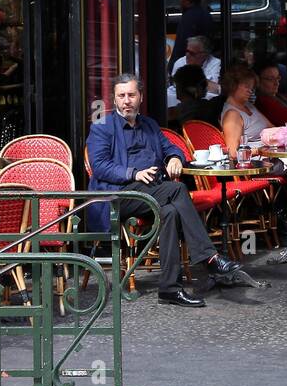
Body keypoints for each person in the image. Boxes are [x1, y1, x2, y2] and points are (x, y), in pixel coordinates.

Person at [87, 73, 240, 307]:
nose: (126, 100)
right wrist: (133, 173)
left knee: (169, 212)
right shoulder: (102, 126)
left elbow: (172, 148)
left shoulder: (148, 124)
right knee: (177, 190)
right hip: (118, 195)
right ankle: (209, 258)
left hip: (153, 190)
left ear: (140, 97)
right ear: (115, 100)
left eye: (131, 95)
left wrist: (175, 158)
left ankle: (169, 289)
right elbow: (99, 167)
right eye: (121, 96)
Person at [220, 64, 273, 148]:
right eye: (247, 86)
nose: (250, 91)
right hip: (256, 158)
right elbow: (233, 152)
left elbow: (271, 128)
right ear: (233, 85)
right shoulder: (232, 115)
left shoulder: (249, 106)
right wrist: (261, 151)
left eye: (252, 88)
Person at [170, 0, 214, 73]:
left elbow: (182, 44)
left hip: (189, 66)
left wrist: (172, 65)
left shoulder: (189, 18)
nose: (180, 3)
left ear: (187, 1)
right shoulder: (206, 14)